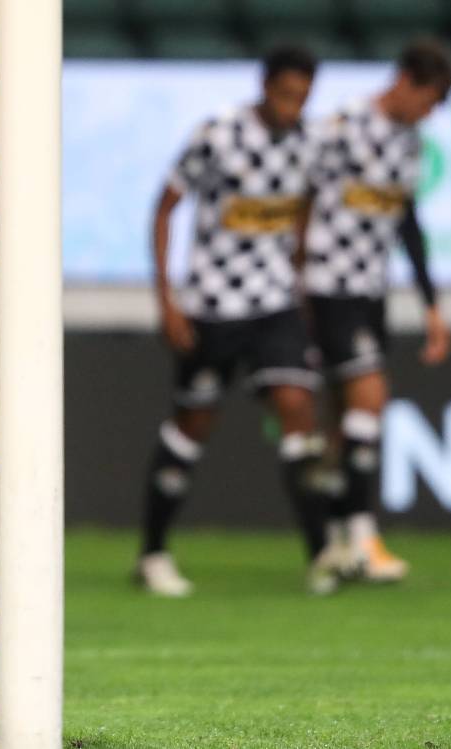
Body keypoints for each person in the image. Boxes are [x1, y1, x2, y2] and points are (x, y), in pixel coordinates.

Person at [137, 46, 340, 598]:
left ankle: (323, 552)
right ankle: (153, 552)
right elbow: (165, 206)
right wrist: (167, 299)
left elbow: (301, 212)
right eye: (285, 93)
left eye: (302, 97)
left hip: (274, 307)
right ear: (265, 85)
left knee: (298, 407)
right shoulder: (218, 135)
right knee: (193, 425)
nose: (293, 105)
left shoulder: (310, 142)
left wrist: (299, 286)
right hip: (212, 307)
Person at [302, 38, 451, 582]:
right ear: (406, 81)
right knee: (370, 395)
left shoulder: (410, 144)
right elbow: (298, 201)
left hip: (370, 291)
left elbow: (407, 223)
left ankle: (338, 535)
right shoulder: (339, 129)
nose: (430, 112)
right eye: (430, 99)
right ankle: (363, 536)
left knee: (346, 421)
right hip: (325, 285)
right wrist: (294, 283)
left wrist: (431, 304)